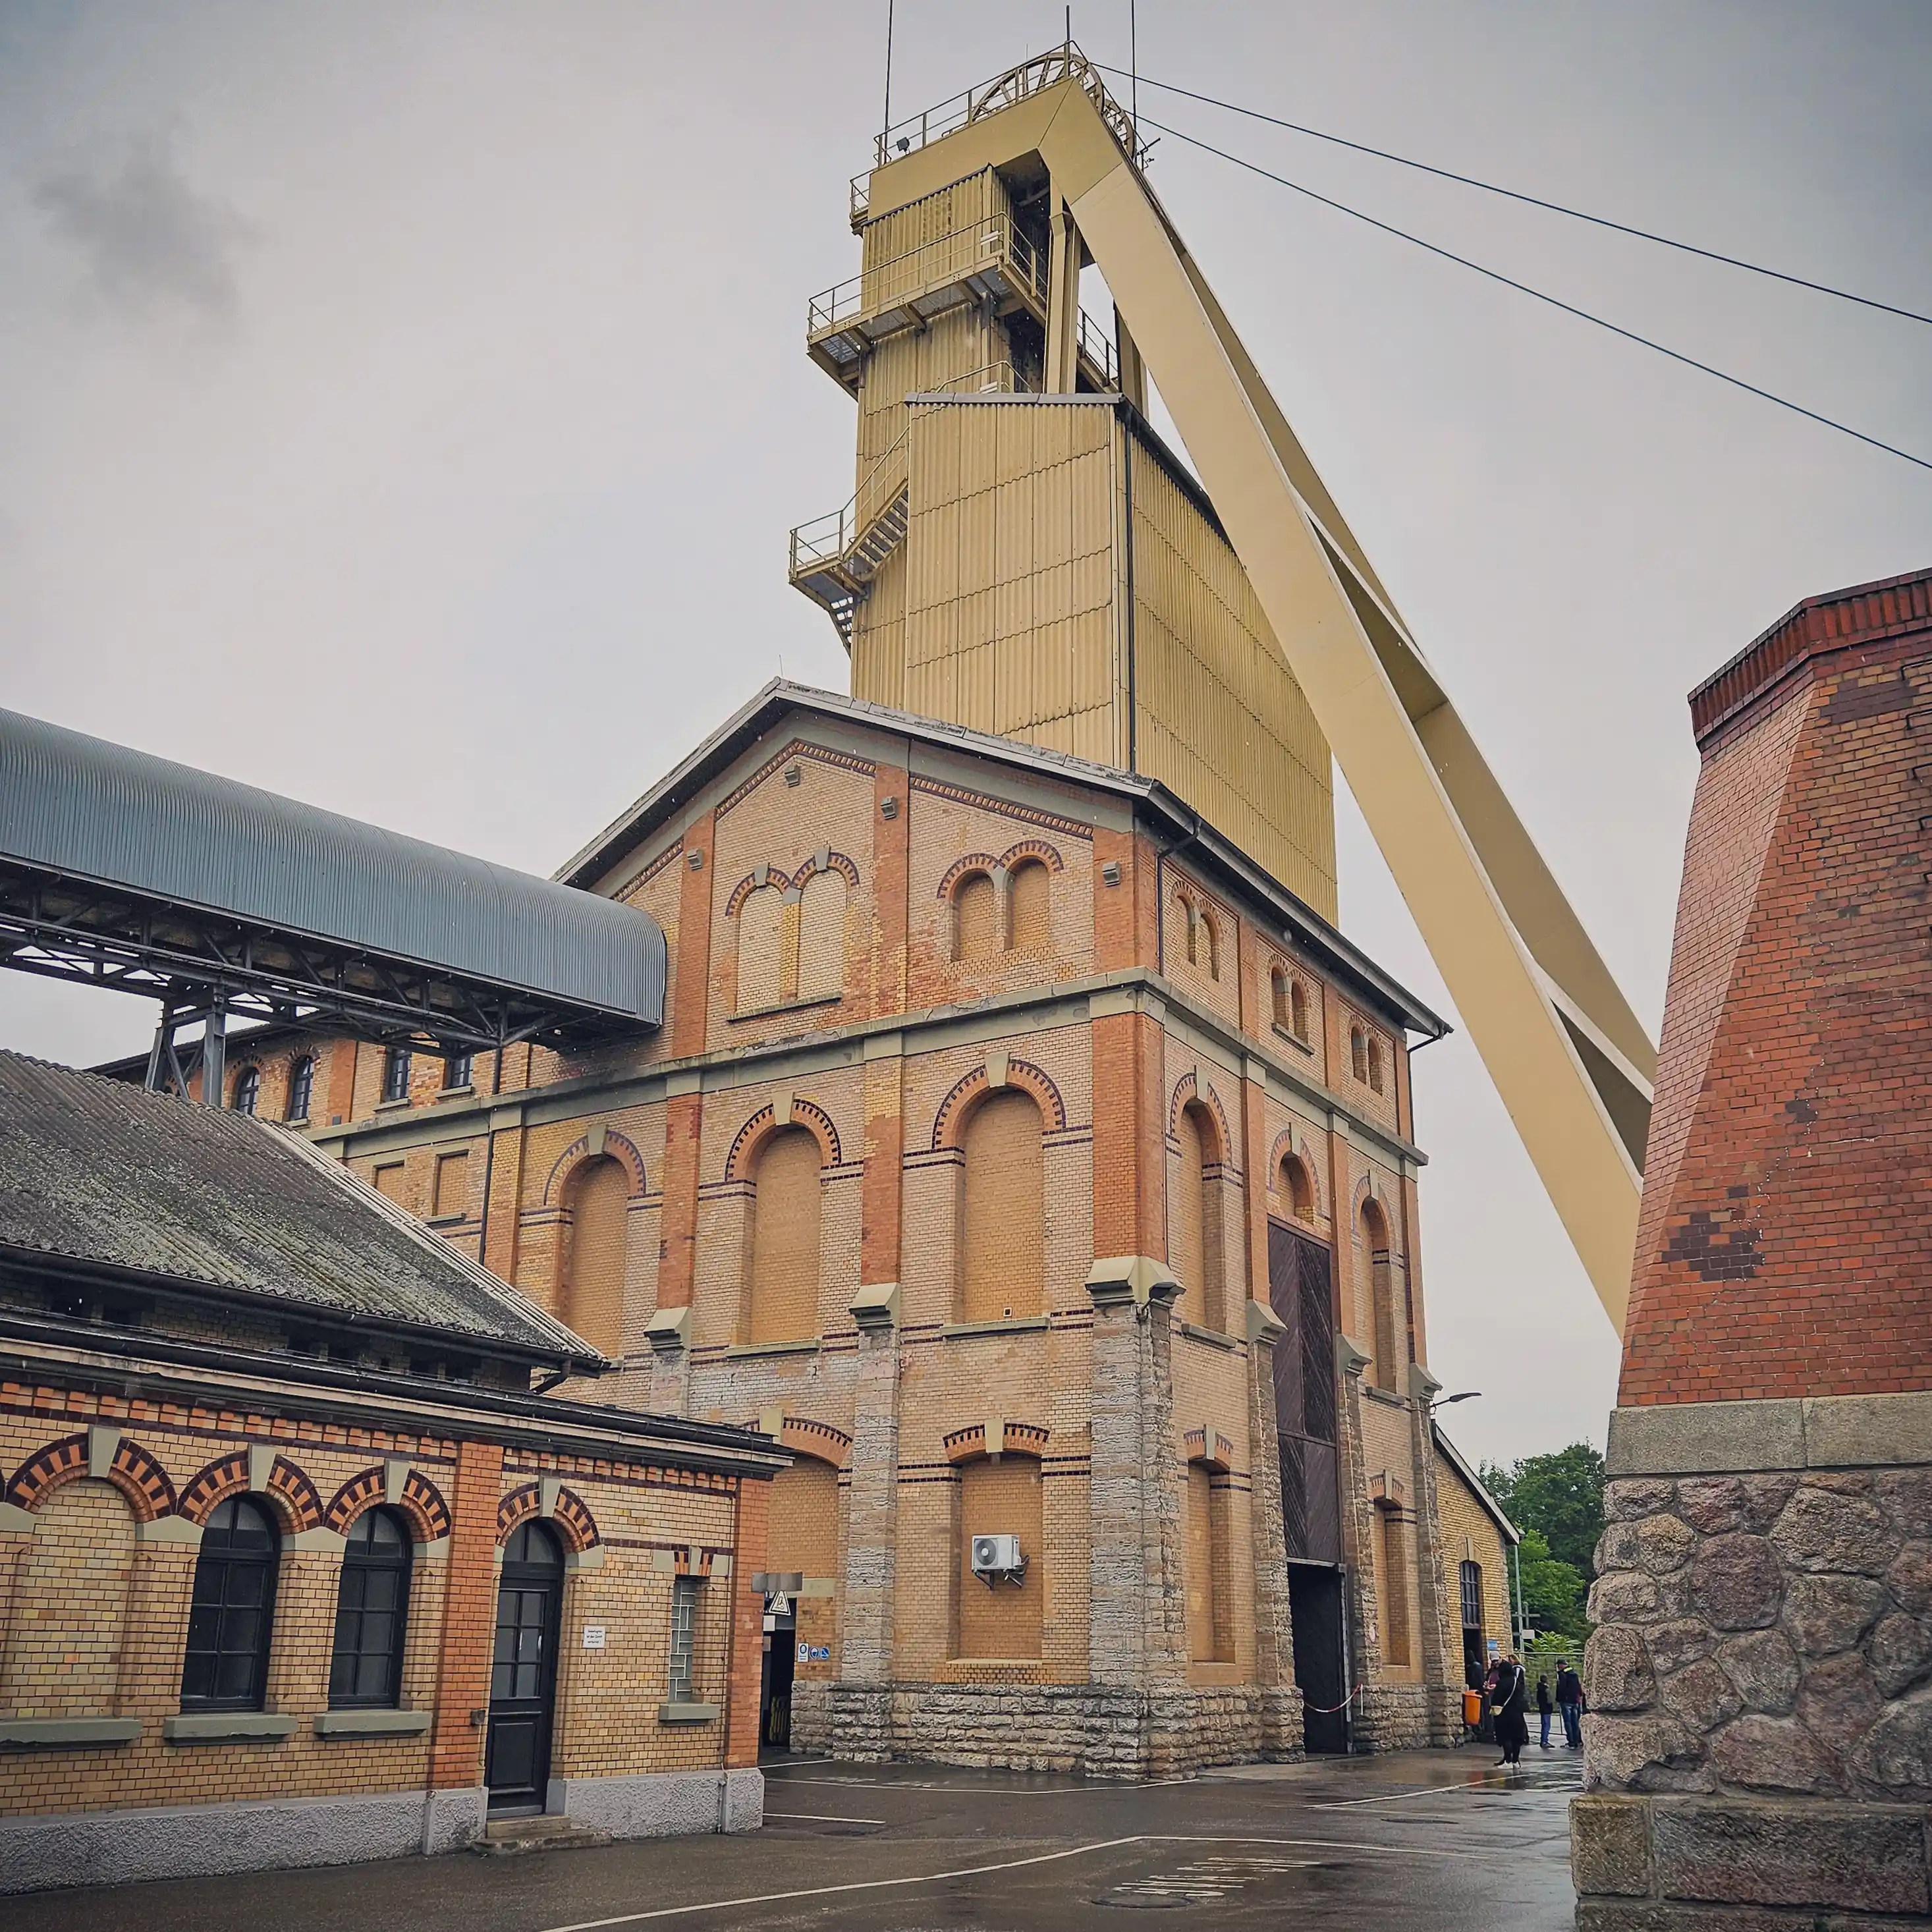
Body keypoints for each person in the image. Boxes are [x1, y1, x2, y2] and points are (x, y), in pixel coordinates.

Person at [1491, 1652, 1529, 1768]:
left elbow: (1497, 1700)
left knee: (1506, 1737)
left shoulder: (1502, 1684)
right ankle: (1515, 1761)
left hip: (1505, 1714)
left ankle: (1507, 1760)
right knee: (1517, 1738)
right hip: (1517, 1714)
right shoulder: (1516, 1682)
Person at [1556, 1658, 1584, 1748]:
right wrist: (1579, 1696)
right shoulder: (1574, 1674)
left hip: (1566, 1701)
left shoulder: (1563, 1674)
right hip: (1575, 1700)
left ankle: (1571, 1741)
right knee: (1575, 1722)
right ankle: (1577, 1740)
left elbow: (1562, 1688)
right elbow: (1579, 1686)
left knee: (1568, 1722)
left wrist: (1559, 1698)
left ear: (1561, 1665)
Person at [1536, 1670, 1553, 1748]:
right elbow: (1550, 1700)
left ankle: (1543, 1740)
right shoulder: (1546, 1689)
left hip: (1542, 1708)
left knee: (1543, 1724)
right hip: (1547, 1709)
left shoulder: (1539, 1688)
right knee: (1547, 1725)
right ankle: (1544, 1741)